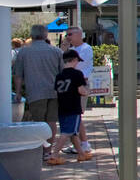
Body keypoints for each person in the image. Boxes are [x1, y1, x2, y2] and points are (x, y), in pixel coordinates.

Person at [11, 24, 63, 162]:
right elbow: (62, 72)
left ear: (32, 35)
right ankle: (48, 151)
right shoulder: (56, 51)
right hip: (54, 91)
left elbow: (18, 74)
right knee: (51, 122)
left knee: (39, 122)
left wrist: (17, 92)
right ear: (46, 35)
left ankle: (40, 149)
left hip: (35, 91)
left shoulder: (24, 52)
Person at [47, 50, 92, 166]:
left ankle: (81, 154)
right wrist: (87, 92)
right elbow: (81, 90)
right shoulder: (77, 74)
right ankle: (54, 155)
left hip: (62, 107)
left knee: (73, 133)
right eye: (77, 61)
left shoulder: (59, 75)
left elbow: (57, 91)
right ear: (74, 60)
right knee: (67, 132)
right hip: (74, 107)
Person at [63, 26, 95, 156]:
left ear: (79, 35)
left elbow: (75, 65)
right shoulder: (70, 49)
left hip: (80, 83)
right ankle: (78, 143)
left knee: (76, 114)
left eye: (70, 34)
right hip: (70, 84)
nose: (67, 37)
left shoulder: (86, 49)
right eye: (67, 35)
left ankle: (84, 143)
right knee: (73, 114)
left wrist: (64, 52)